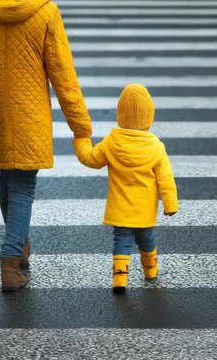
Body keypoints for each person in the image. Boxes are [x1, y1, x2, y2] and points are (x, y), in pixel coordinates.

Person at [0, 0, 92, 291]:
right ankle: (11, 261)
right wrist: (81, 128)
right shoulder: (46, 10)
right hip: (29, 117)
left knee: (5, 183)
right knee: (23, 190)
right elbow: (63, 76)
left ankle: (19, 247)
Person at [73, 84, 179, 294]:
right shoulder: (156, 146)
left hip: (120, 208)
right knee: (146, 239)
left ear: (121, 114)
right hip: (144, 210)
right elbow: (165, 179)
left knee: (121, 241)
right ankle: (150, 271)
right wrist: (170, 205)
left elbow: (91, 159)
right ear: (149, 117)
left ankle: (120, 281)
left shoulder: (112, 142)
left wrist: (81, 141)